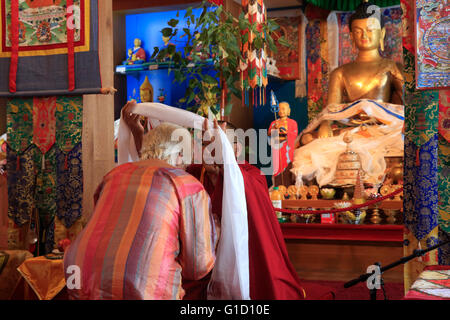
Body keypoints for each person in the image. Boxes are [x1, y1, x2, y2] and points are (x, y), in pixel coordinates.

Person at [64, 118, 217, 300]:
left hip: (79, 273)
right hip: (140, 284)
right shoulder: (186, 184)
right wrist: (215, 232)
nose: (186, 166)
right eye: (187, 158)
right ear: (179, 154)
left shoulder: (114, 175)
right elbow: (198, 266)